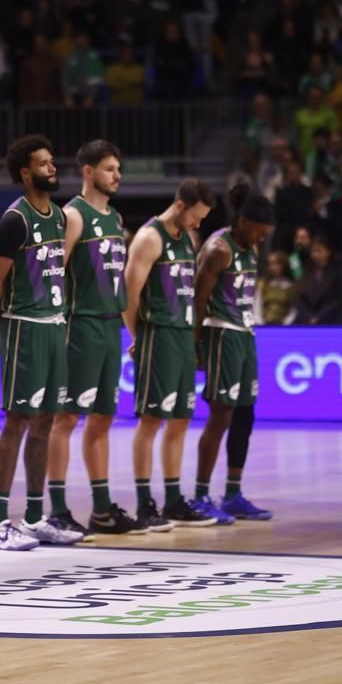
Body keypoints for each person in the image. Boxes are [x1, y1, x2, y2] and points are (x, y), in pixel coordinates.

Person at [0, 135, 83, 549]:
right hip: (23, 326)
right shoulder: (14, 220)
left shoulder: (59, 217)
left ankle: (36, 515)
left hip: (54, 326)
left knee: (45, 422)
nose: (52, 168)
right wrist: (1, 333)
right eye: (44, 164)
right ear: (26, 173)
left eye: (53, 161)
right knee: (18, 421)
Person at [49, 140, 141, 538]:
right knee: (67, 417)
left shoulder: (116, 217)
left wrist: (132, 330)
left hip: (109, 327)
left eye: (118, 169)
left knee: (104, 417)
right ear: (88, 171)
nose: (117, 176)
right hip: (80, 325)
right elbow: (54, 272)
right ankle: (57, 509)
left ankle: (102, 509)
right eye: (109, 169)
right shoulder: (73, 215)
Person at [124, 179, 217, 532]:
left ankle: (174, 499)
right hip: (158, 334)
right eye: (196, 216)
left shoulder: (189, 239)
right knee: (150, 420)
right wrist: (139, 337)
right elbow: (130, 297)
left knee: (180, 420)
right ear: (181, 205)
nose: (198, 224)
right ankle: (144, 503)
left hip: (182, 335)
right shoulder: (149, 238)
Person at [191, 184, 276, 524]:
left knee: (245, 414)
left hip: (245, 333)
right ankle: (199, 495)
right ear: (242, 221)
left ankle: (233, 494)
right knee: (220, 414)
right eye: (257, 231)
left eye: (265, 234)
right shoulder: (217, 249)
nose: (260, 239)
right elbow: (197, 300)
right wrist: (194, 346)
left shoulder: (250, 250)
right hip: (220, 333)